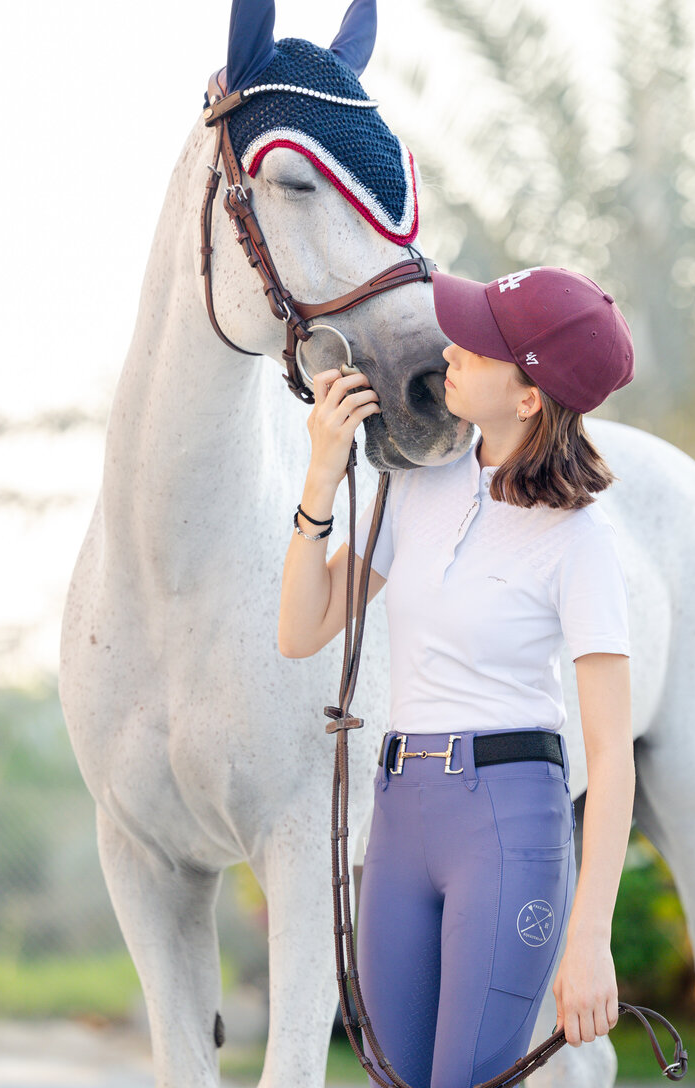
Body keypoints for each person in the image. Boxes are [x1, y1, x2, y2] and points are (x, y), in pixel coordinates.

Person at [278, 265, 636, 1088]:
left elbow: (610, 756)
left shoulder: (580, 542)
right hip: (400, 813)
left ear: (528, 398)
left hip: (509, 825)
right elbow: (302, 630)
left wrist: (590, 938)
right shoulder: (417, 484)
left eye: (478, 344)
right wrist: (322, 479)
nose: (450, 348)